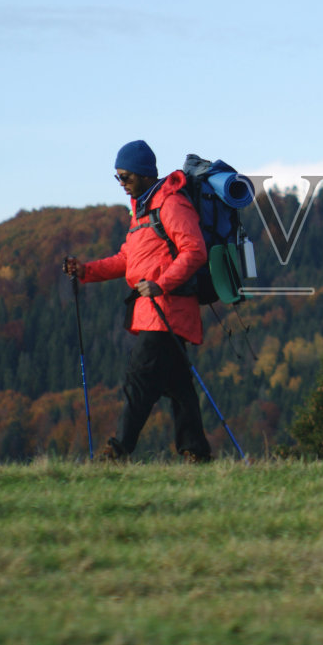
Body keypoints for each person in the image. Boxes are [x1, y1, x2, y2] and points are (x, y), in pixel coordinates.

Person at [63, 139, 214, 463]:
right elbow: (126, 260)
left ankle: (118, 450)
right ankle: (197, 452)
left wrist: (161, 284)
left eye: (126, 177)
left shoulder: (171, 204)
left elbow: (195, 250)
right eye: (118, 177)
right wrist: (86, 270)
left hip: (168, 310)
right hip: (153, 311)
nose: (122, 184)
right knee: (178, 386)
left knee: (139, 377)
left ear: (146, 175)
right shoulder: (142, 212)